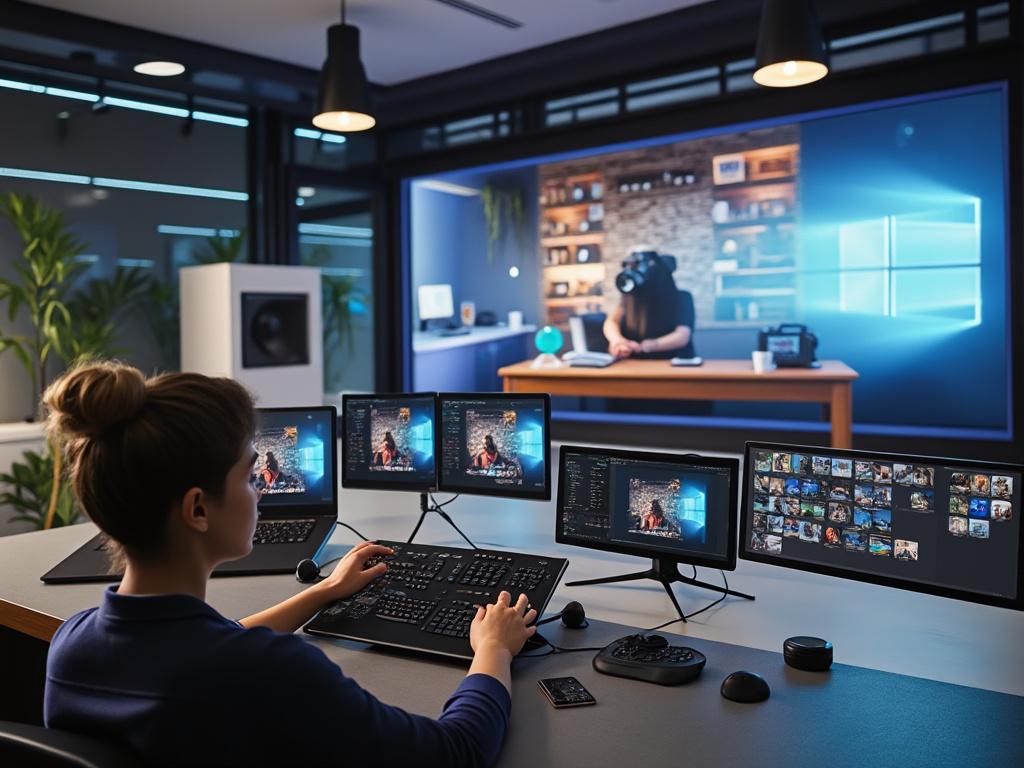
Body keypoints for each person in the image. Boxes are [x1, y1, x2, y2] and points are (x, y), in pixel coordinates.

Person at [42, 361, 537, 767]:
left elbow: (204, 645)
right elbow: (456, 754)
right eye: (248, 475)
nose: (259, 491)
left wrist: (323, 592)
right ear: (198, 509)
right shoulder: (270, 671)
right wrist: (492, 651)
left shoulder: (74, 642)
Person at [603, 252, 696, 360]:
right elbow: (611, 322)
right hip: (635, 366)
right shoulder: (629, 297)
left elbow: (682, 336)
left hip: (672, 365)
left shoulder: (682, 298)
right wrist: (617, 341)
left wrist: (648, 346)